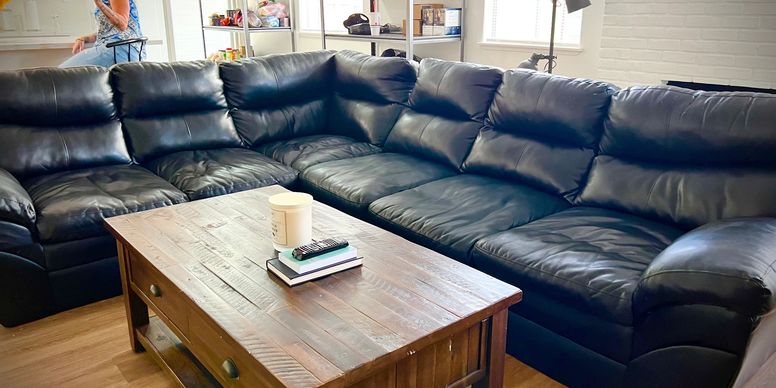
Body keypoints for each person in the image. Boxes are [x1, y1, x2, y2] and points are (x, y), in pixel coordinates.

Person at [59, 0, 145, 68]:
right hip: (116, 48)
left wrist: (99, 3)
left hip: (120, 49)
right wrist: (84, 38)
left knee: (61, 73)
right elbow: (108, 32)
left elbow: (122, 24)